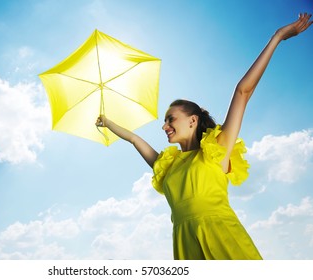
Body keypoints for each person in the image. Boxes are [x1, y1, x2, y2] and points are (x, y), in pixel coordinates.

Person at [96, 13, 312, 260]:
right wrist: (108, 122)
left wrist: (278, 37)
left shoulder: (217, 148)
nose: (164, 126)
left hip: (223, 239)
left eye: (170, 119)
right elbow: (135, 139)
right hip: (185, 245)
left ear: (192, 120)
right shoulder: (167, 166)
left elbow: (243, 91)